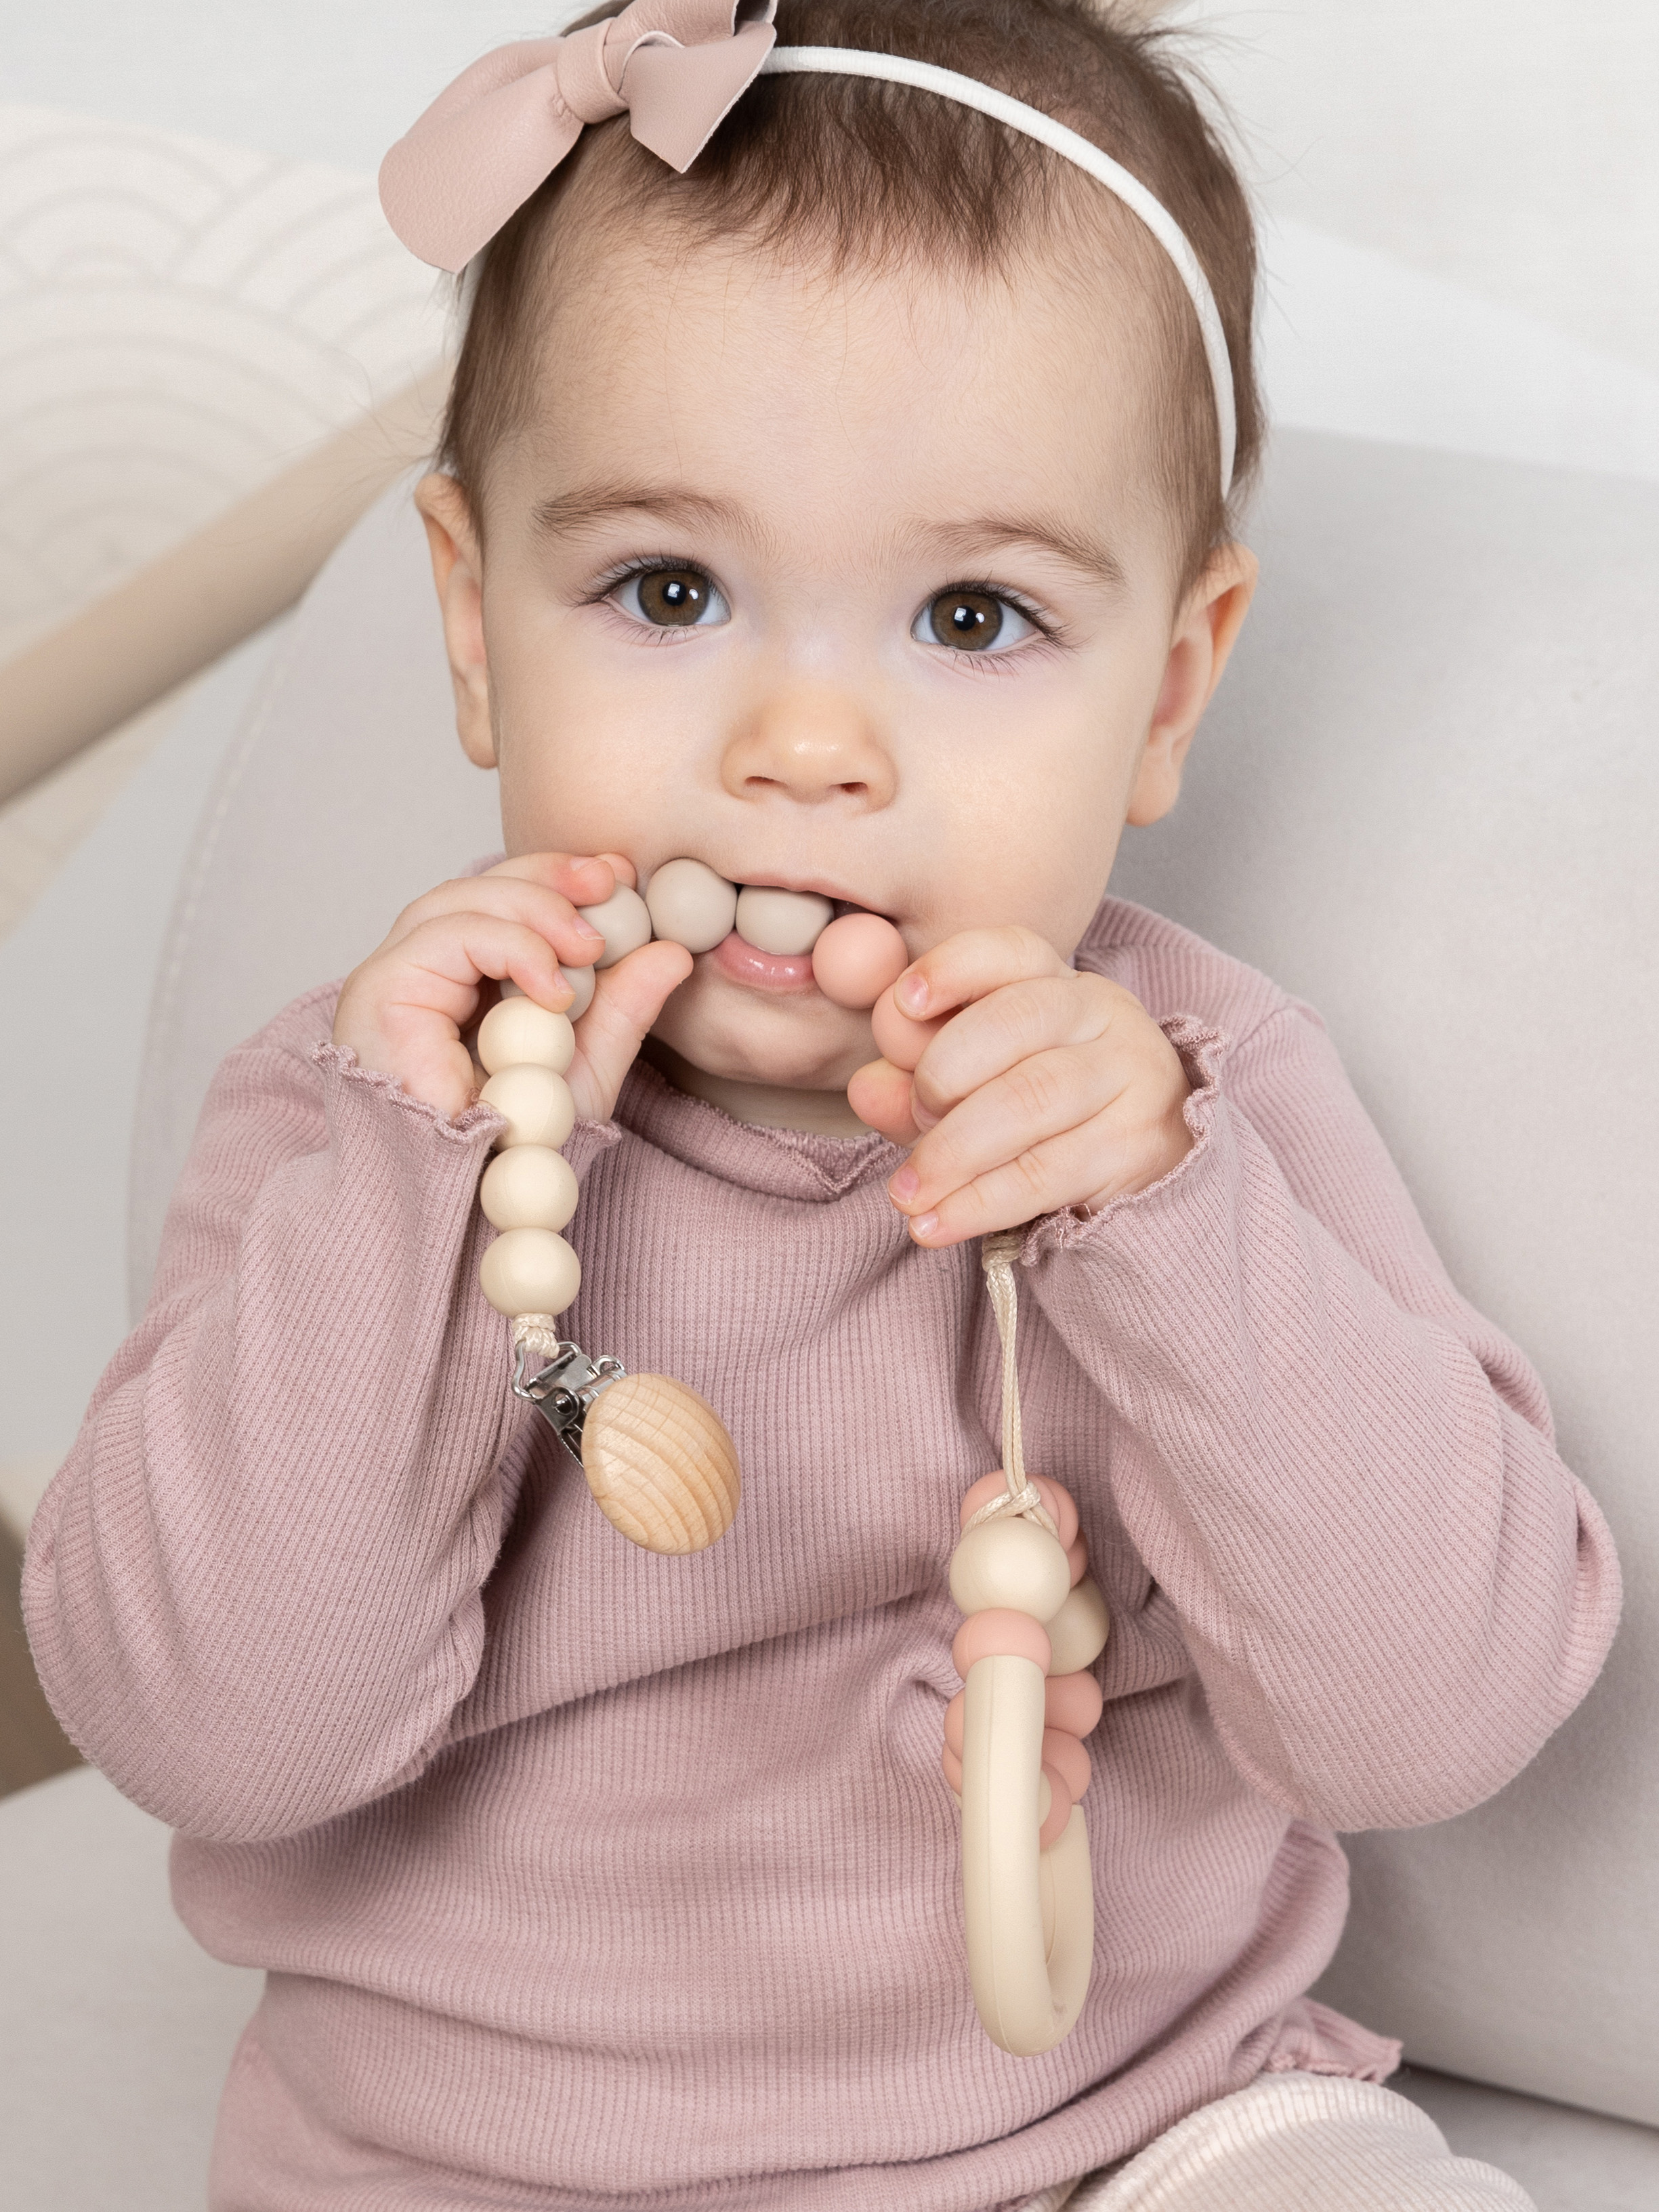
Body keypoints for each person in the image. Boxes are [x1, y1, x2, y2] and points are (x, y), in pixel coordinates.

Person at [23, 2, 1620, 2206]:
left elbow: (1428, 1718)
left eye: (973, 614)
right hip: (456, 2165)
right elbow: (209, 1723)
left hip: (1138, 2119)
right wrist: (427, 1184)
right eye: (665, 590)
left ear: (1164, 691)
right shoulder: (369, 1100)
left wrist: (1159, 1205)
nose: (804, 742)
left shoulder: (1182, 1097)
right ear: (475, 627)